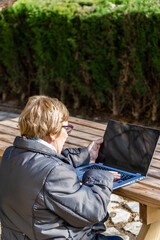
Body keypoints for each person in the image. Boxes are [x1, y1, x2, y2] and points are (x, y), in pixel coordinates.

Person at [0, 95, 123, 240]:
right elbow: (92, 212)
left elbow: (42, 165)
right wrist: (99, 176)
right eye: (67, 128)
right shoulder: (54, 172)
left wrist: (86, 156)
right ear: (53, 133)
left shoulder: (11, 154)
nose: (67, 134)